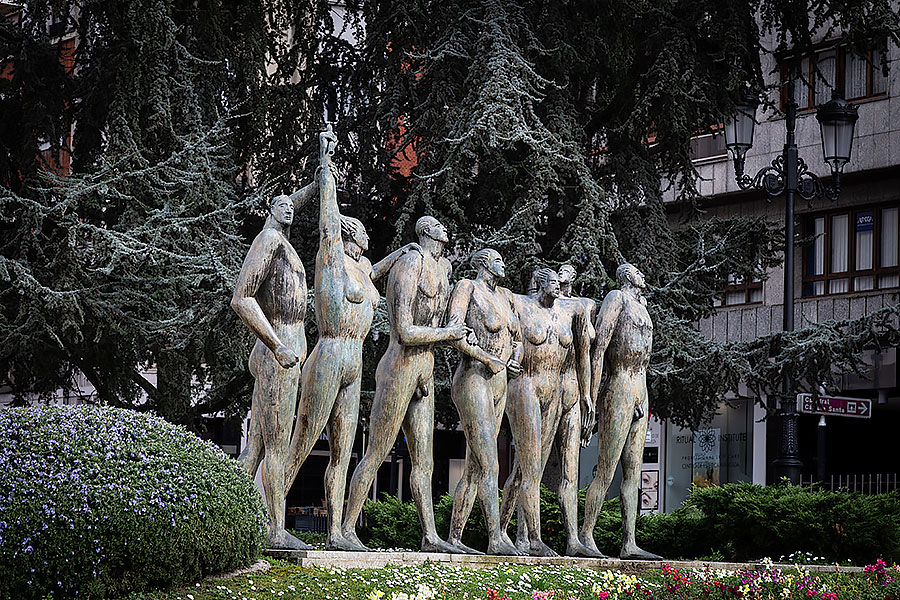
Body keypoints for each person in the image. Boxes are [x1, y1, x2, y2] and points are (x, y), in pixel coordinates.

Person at [282, 125, 415, 551]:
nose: (368, 240)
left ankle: (341, 530)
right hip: (329, 351)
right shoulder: (333, 254)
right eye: (363, 235)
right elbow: (327, 216)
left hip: (354, 361)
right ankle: (270, 520)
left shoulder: (363, 272)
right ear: (350, 234)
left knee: (344, 449)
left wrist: (407, 251)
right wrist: (326, 165)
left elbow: (376, 273)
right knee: (304, 437)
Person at [340, 215, 468, 553]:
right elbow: (404, 331)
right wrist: (446, 334)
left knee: (424, 461)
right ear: (426, 232)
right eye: (441, 227)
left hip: (424, 368)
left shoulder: (443, 271)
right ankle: (347, 529)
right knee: (377, 452)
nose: (447, 230)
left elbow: (443, 325)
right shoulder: (410, 264)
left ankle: (431, 536)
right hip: (399, 365)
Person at [231, 179, 317, 549]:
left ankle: (223, 514)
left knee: (258, 445)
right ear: (269, 208)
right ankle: (275, 529)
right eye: (281, 204)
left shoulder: (281, 239)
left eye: (292, 205)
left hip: (286, 345)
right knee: (276, 444)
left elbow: (296, 198)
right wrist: (277, 345)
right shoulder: (267, 241)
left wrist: (322, 167)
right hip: (279, 347)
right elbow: (242, 298)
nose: (289, 209)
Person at [498, 268, 592, 557]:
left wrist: (587, 394)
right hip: (526, 385)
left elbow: (585, 351)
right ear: (539, 283)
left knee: (528, 470)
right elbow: (503, 327)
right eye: (552, 282)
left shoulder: (569, 310)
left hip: (553, 393)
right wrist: (503, 361)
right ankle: (534, 538)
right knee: (529, 466)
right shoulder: (520, 304)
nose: (558, 286)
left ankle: (500, 530)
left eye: (560, 282)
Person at [579, 263, 662, 560]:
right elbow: (599, 347)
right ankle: (586, 534)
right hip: (619, 385)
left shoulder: (642, 306)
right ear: (627, 276)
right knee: (607, 469)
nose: (643, 275)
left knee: (634, 471)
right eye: (638, 272)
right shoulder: (617, 297)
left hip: (640, 387)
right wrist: (591, 394)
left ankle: (629, 542)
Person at [445, 248, 523, 556]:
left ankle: (454, 537)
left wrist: (514, 360)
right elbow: (453, 332)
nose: (504, 263)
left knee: (477, 466)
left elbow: (517, 338)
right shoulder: (468, 287)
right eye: (498, 259)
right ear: (483, 263)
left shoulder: (503, 297)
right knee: (491, 462)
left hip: (499, 381)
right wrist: (484, 356)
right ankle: (495, 538)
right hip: (473, 377)